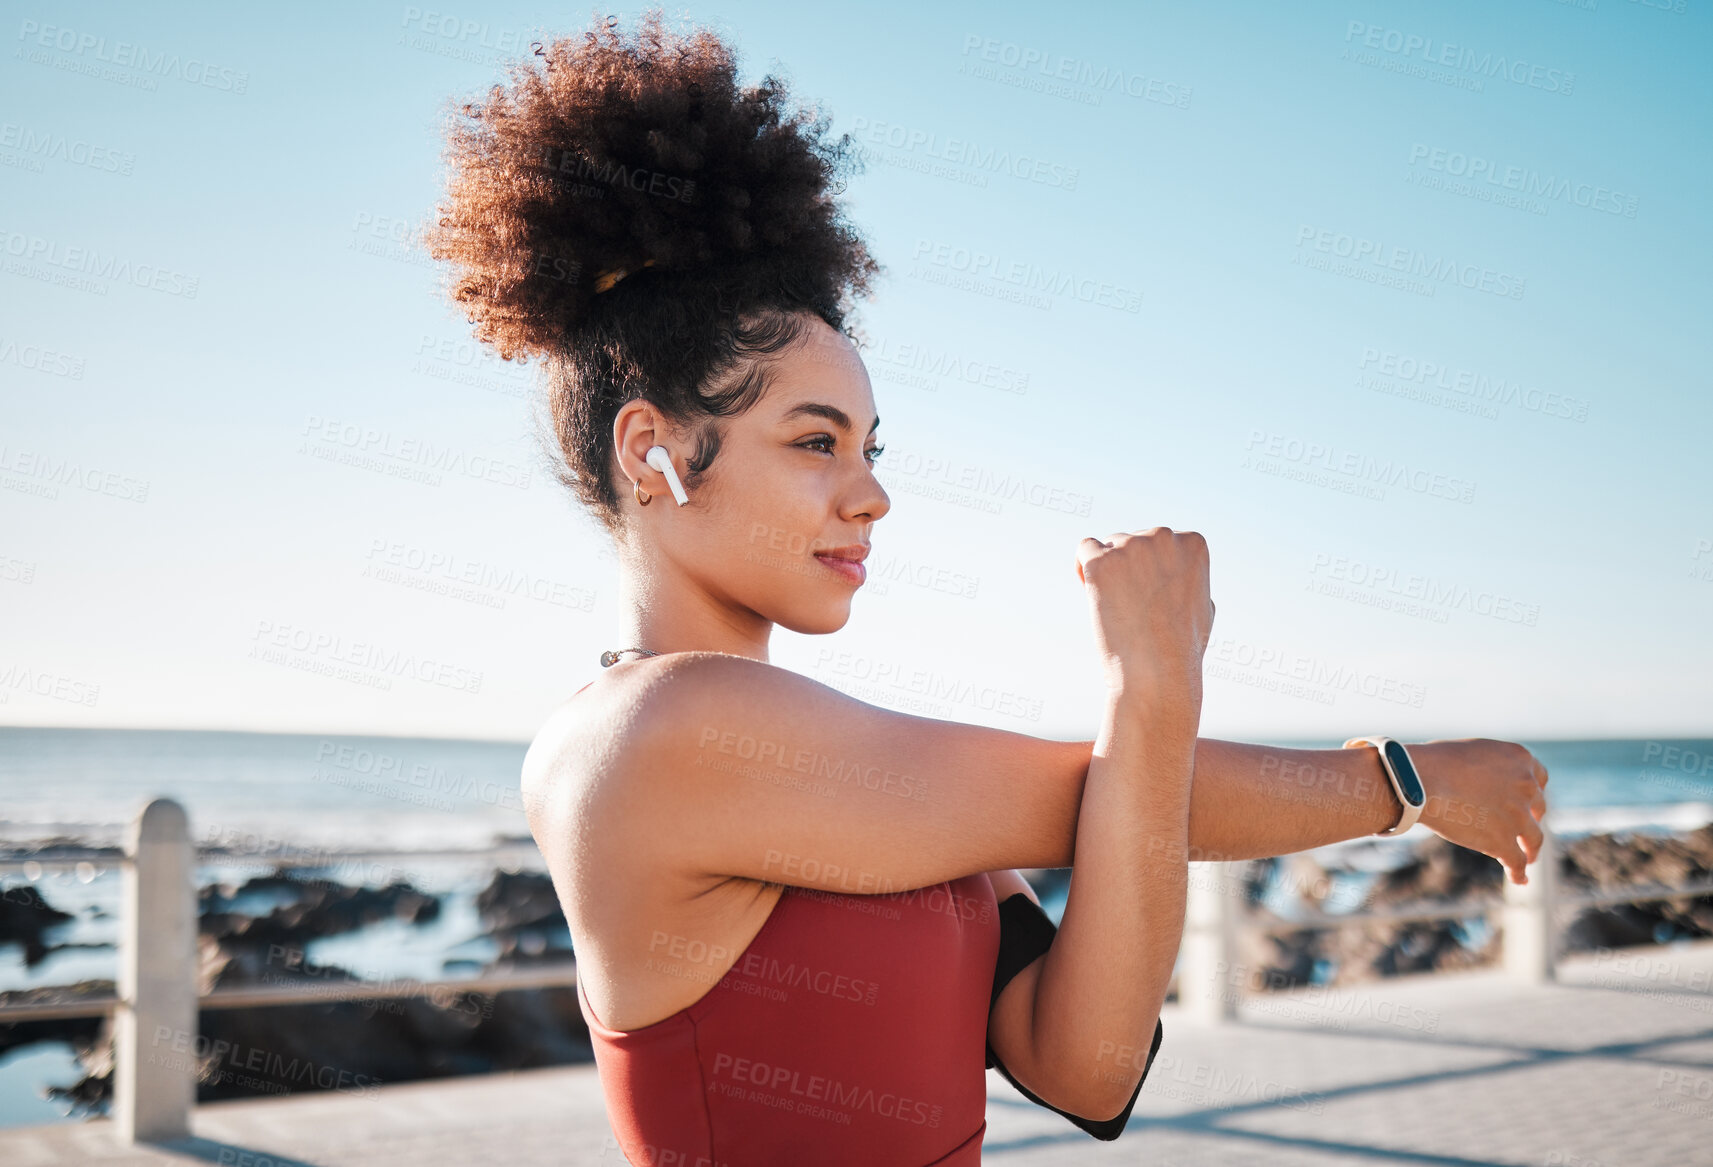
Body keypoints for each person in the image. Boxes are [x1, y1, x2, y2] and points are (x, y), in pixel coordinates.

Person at [423, 10, 1549, 1163]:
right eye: (816, 444)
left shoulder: (868, 768)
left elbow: (1087, 1068)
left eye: (873, 449)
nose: (871, 497)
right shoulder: (653, 732)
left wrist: (1155, 702)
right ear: (652, 449)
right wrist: (1405, 782)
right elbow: (1097, 802)